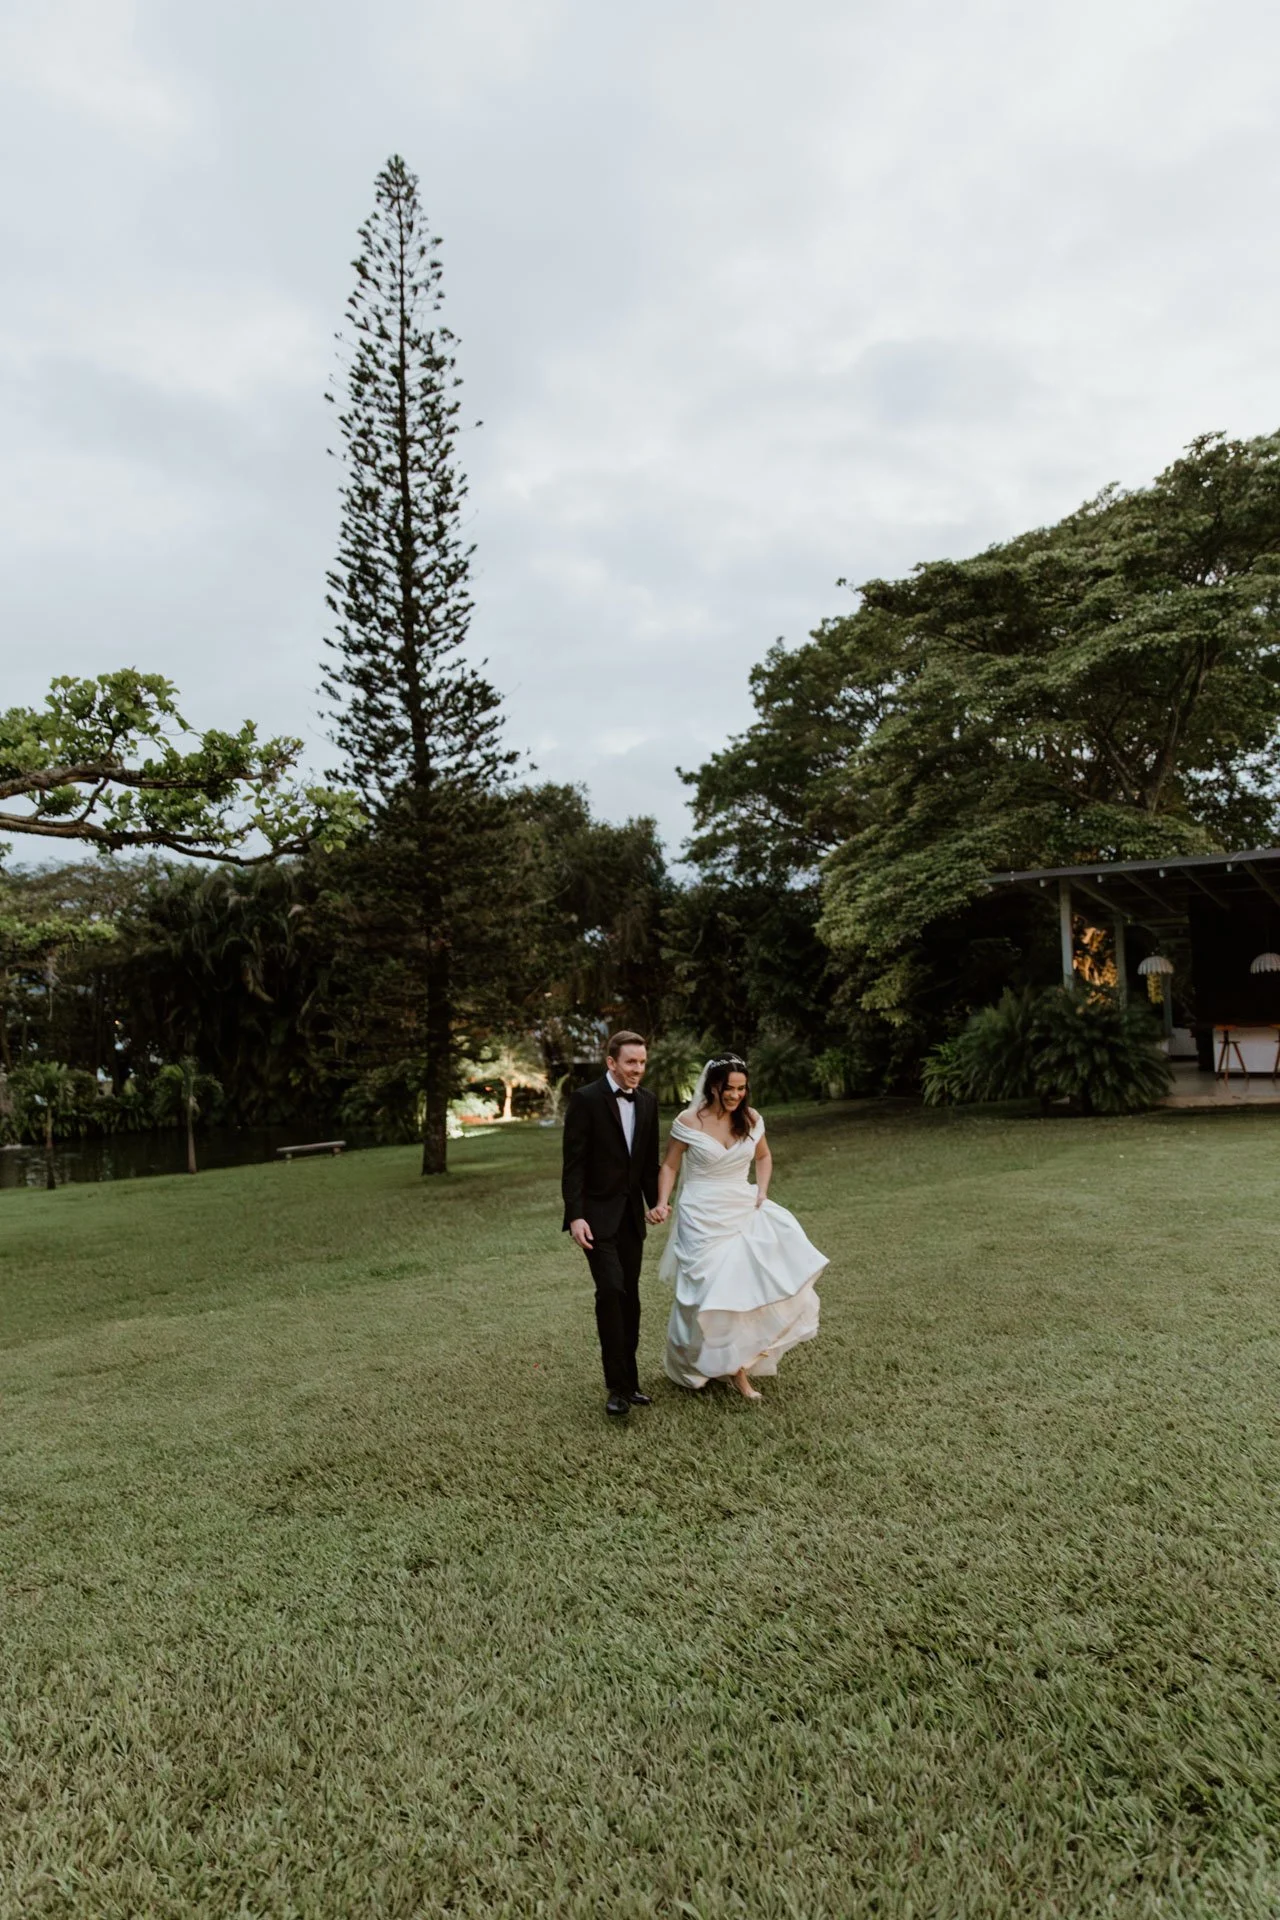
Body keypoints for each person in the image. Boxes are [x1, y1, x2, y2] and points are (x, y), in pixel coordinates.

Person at [652, 1055, 824, 1399]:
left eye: (741, 1088)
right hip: (700, 1216)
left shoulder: (750, 1118)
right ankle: (700, 1362)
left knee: (738, 1292)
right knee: (704, 1294)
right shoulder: (688, 1121)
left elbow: (763, 1156)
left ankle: (739, 1371)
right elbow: (670, 1166)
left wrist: (761, 1190)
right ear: (713, 1086)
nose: (734, 1095)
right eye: (728, 1088)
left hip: (739, 1210)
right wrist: (661, 1202)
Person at [561, 1031, 661, 1418]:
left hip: (631, 1220)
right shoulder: (585, 1100)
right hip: (595, 1219)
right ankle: (616, 1388)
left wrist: (657, 1203)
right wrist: (576, 1216)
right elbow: (573, 1165)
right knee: (611, 1291)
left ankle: (631, 1383)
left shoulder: (649, 1102)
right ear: (611, 1062)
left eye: (642, 1062)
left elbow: (648, 1165)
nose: (637, 1069)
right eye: (631, 1062)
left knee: (630, 1297)